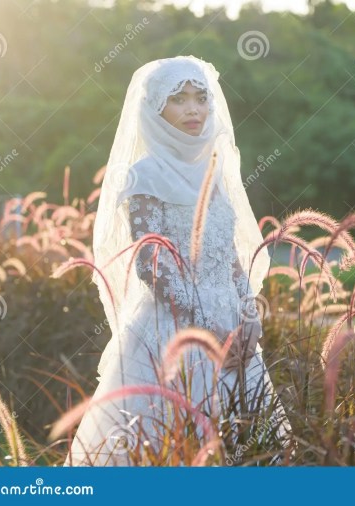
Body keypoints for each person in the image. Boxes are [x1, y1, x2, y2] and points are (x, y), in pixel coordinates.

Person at [63, 55, 291, 466]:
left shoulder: (217, 169)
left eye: (200, 98)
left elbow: (231, 257)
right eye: (179, 99)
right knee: (167, 450)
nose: (193, 109)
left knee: (247, 448)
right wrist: (208, 329)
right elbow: (153, 263)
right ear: (155, 110)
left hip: (237, 336)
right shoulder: (144, 175)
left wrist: (248, 318)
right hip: (172, 330)